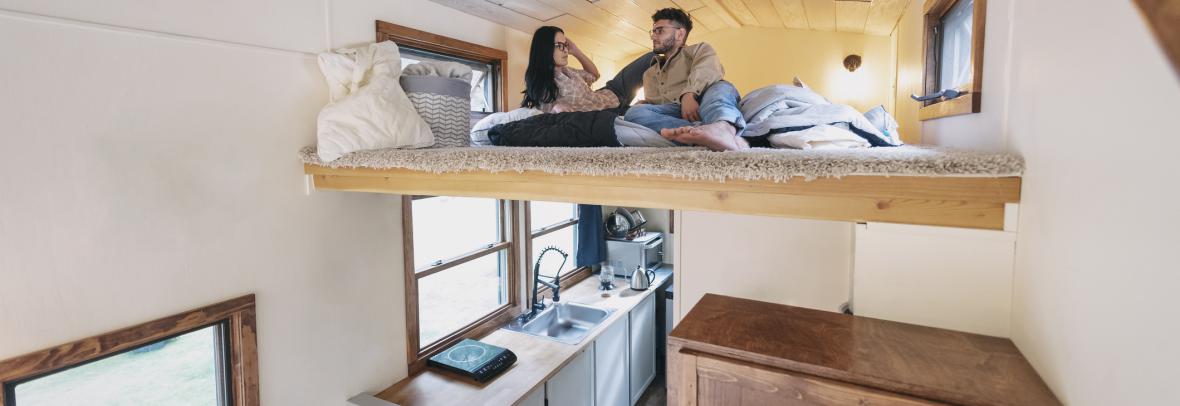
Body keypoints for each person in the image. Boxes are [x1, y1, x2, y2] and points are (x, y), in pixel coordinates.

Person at [624, 8, 748, 151]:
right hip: (674, 113)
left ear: (679, 33)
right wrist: (645, 104)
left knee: (721, 87)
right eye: (653, 32)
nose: (653, 37)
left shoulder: (699, 49)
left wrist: (689, 94)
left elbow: (709, 70)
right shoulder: (649, 74)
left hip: (704, 101)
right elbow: (656, 107)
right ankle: (704, 132)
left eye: (660, 30)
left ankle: (722, 127)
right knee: (634, 113)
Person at [522, 26, 623, 113]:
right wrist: (554, 109)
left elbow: (594, 75)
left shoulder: (569, 71)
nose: (566, 50)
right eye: (560, 46)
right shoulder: (543, 84)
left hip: (610, 92)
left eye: (565, 45)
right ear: (545, 48)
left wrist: (576, 51)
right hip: (612, 105)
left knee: (639, 63)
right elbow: (545, 112)